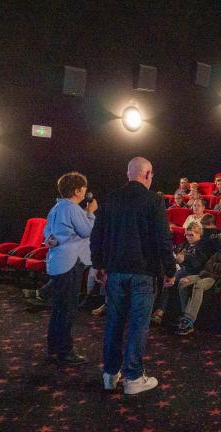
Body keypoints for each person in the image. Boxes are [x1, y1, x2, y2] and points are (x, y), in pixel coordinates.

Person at [91, 157, 176, 395]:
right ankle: (133, 378)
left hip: (115, 271)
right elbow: (163, 239)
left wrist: (98, 264)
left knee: (114, 323)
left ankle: (110, 375)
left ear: (128, 173)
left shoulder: (110, 199)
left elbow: (97, 235)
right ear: (148, 175)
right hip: (143, 273)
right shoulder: (154, 200)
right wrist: (170, 270)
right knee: (138, 325)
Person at [43, 172, 98, 365]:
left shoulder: (57, 207)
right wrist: (90, 213)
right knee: (67, 309)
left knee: (59, 308)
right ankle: (65, 351)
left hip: (58, 261)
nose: (85, 191)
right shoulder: (73, 208)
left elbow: (47, 233)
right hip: (70, 262)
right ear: (76, 190)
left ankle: (54, 346)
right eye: (83, 188)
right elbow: (87, 231)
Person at [175, 229, 221, 336]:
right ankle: (186, 315)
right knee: (182, 282)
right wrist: (216, 267)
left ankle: (189, 320)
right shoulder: (219, 252)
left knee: (199, 285)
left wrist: (214, 266)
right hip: (204, 274)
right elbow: (208, 264)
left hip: (216, 279)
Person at [151, 222, 208, 326]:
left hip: (191, 271)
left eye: (192, 235)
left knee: (169, 278)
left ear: (199, 234)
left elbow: (199, 264)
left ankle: (160, 311)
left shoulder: (202, 246)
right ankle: (153, 308)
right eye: (187, 234)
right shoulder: (184, 244)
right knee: (159, 274)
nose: (188, 237)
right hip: (178, 268)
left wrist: (185, 258)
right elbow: (175, 254)